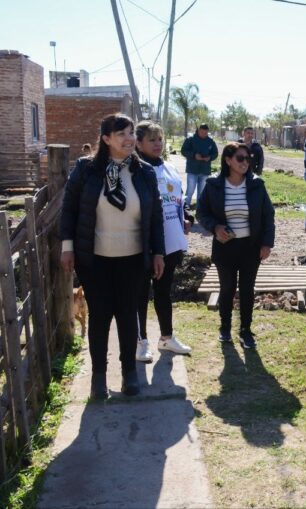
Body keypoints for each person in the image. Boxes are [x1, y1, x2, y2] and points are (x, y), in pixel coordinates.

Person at [60, 113, 165, 399]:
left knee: (128, 314)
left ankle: (130, 373)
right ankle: (98, 376)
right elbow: (69, 210)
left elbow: (154, 217)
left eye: (131, 133)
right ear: (106, 139)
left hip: (133, 258)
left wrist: (158, 252)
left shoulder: (144, 172)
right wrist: (67, 246)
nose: (129, 139)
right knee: (101, 316)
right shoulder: (86, 170)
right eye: (122, 134)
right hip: (94, 258)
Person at [197, 142, 275, 350]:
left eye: (248, 158)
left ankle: (246, 330)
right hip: (225, 247)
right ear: (228, 160)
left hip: (251, 246)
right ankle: (225, 328)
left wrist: (267, 243)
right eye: (240, 158)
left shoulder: (257, 184)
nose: (245, 162)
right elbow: (202, 212)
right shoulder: (214, 184)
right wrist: (215, 228)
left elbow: (268, 215)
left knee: (247, 289)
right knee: (227, 288)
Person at [134, 121, 193, 362]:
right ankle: (140, 341)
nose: (158, 144)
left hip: (171, 242)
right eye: (152, 139)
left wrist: (186, 216)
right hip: (142, 245)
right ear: (138, 144)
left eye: (160, 139)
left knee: (163, 292)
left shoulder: (169, 168)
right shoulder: (136, 171)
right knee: (139, 294)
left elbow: (178, 199)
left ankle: (166, 338)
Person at [181, 123, 218, 208]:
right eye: (202, 132)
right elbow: (183, 151)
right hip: (192, 170)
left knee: (201, 192)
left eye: (206, 133)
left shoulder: (210, 141)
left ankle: (199, 208)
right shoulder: (190, 139)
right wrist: (194, 155)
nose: (204, 134)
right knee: (190, 190)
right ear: (198, 131)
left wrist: (210, 157)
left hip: (205, 171)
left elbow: (215, 153)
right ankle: (186, 206)